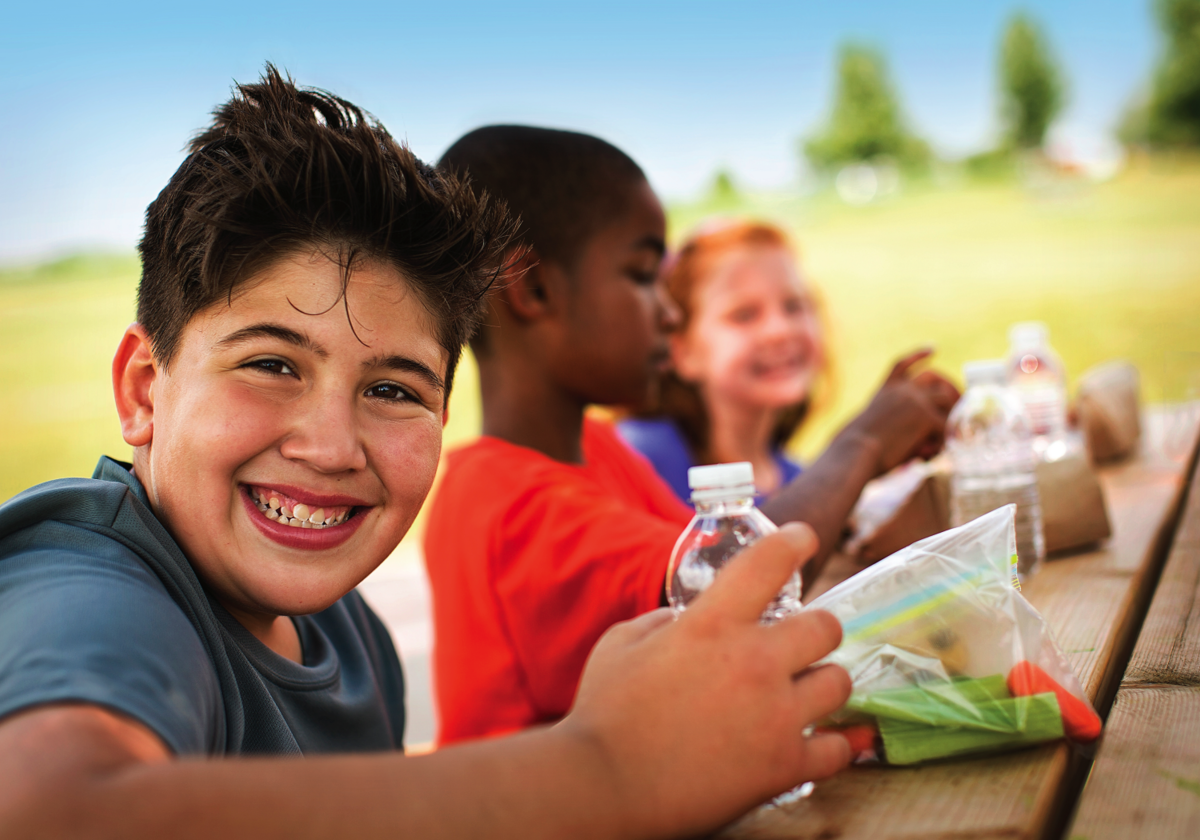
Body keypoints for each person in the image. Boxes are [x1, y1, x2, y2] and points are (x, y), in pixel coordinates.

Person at [0, 68, 855, 839]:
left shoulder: (349, 632)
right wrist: (602, 773)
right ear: (144, 390)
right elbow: (50, 808)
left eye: (393, 389)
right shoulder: (95, 589)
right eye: (270, 365)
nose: (332, 447)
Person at [425, 125, 959, 746]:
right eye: (643, 274)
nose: (670, 312)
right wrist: (861, 446)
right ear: (534, 289)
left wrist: (862, 446)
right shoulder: (506, 501)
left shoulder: (595, 450)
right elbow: (737, 588)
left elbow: (725, 540)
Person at [617, 220, 827, 502]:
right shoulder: (639, 459)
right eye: (744, 314)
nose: (780, 331)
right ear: (682, 351)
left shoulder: (802, 479)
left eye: (794, 306)